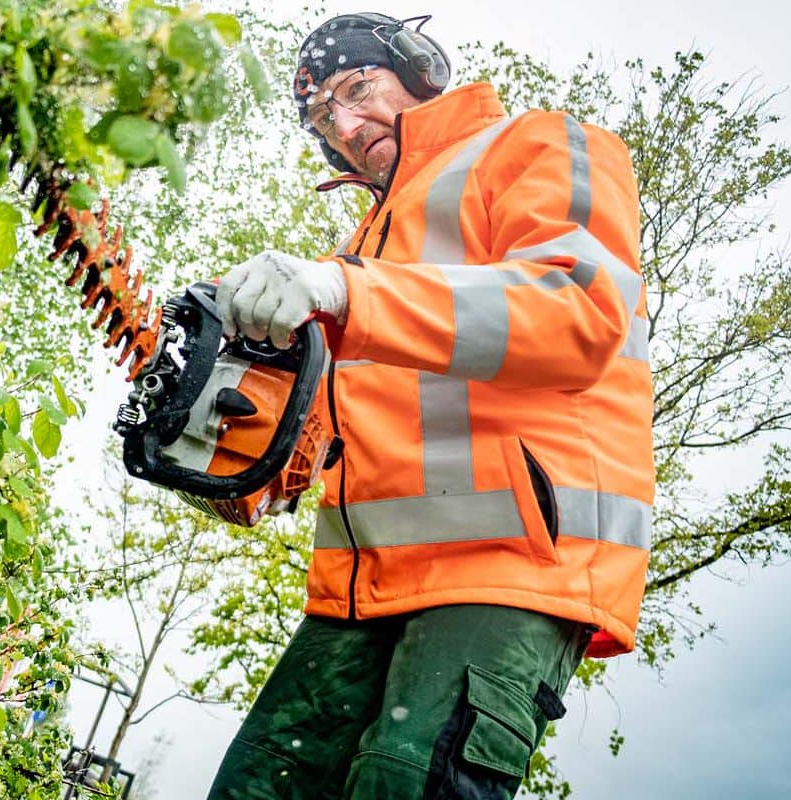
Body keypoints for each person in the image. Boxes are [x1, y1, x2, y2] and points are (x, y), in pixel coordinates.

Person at [206, 12, 654, 799]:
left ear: (418, 69)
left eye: (358, 88)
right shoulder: (361, 246)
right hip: (359, 584)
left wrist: (347, 289)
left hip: (513, 565)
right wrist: (244, 456)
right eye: (323, 119)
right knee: (255, 786)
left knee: (402, 785)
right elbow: (338, 423)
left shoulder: (541, 143)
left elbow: (579, 311)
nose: (345, 126)